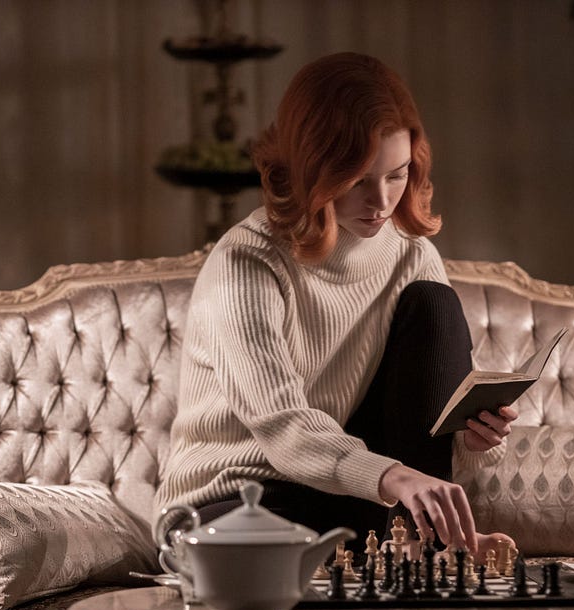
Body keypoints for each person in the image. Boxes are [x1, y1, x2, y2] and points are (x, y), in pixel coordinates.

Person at [158, 52, 517, 559]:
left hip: (349, 496)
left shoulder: (412, 256)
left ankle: (423, 545)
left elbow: (422, 438)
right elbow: (284, 429)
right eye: (356, 181)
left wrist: (472, 438)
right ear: (313, 169)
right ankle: (407, 557)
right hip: (233, 502)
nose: (382, 201)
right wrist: (393, 477)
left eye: (396, 174)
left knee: (433, 304)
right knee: (274, 557)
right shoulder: (247, 260)